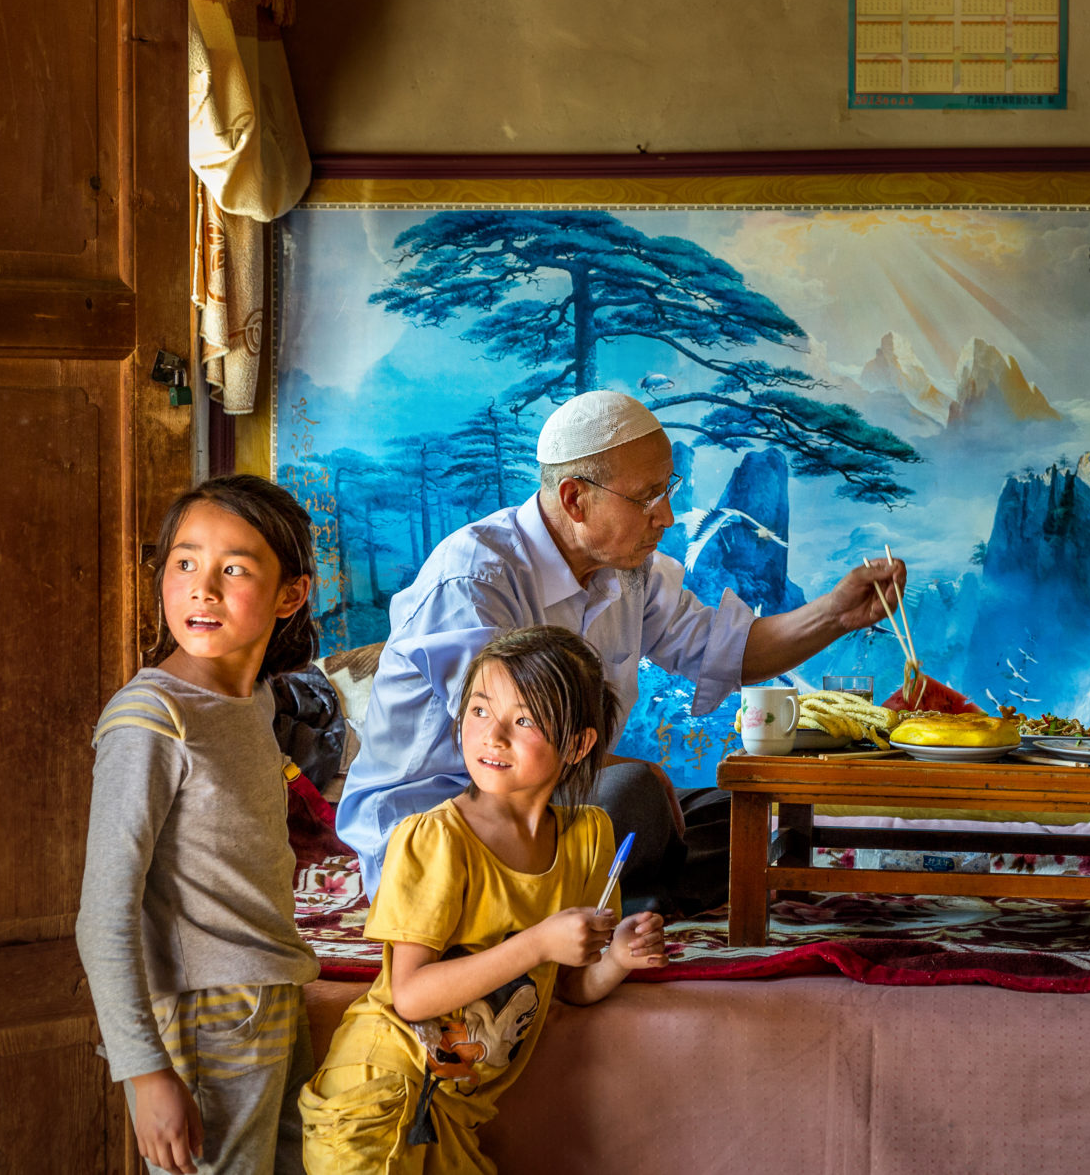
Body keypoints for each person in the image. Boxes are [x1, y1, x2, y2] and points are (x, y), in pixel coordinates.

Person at [336, 389, 905, 912]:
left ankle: (619, 898)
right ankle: (622, 900)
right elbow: (507, 746)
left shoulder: (627, 571)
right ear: (574, 499)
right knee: (634, 797)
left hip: (552, 807)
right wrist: (624, 768)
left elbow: (724, 648)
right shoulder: (476, 580)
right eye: (647, 498)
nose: (668, 516)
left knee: (740, 816)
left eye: (669, 490)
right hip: (442, 833)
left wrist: (834, 614)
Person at [298, 626, 667, 1172]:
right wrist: (541, 940)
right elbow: (413, 996)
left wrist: (616, 958)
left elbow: (568, 985)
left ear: (578, 744)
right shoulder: (437, 840)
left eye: (524, 720)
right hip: (378, 1096)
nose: (492, 736)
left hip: (452, 1114)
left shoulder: (589, 838)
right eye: (478, 710)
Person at [77, 475, 323, 1174]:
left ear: (290, 594)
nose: (201, 588)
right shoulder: (150, 719)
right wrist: (144, 1070)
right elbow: (104, 911)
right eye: (184, 562)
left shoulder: (252, 700)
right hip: (205, 1016)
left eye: (233, 568)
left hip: (267, 991)